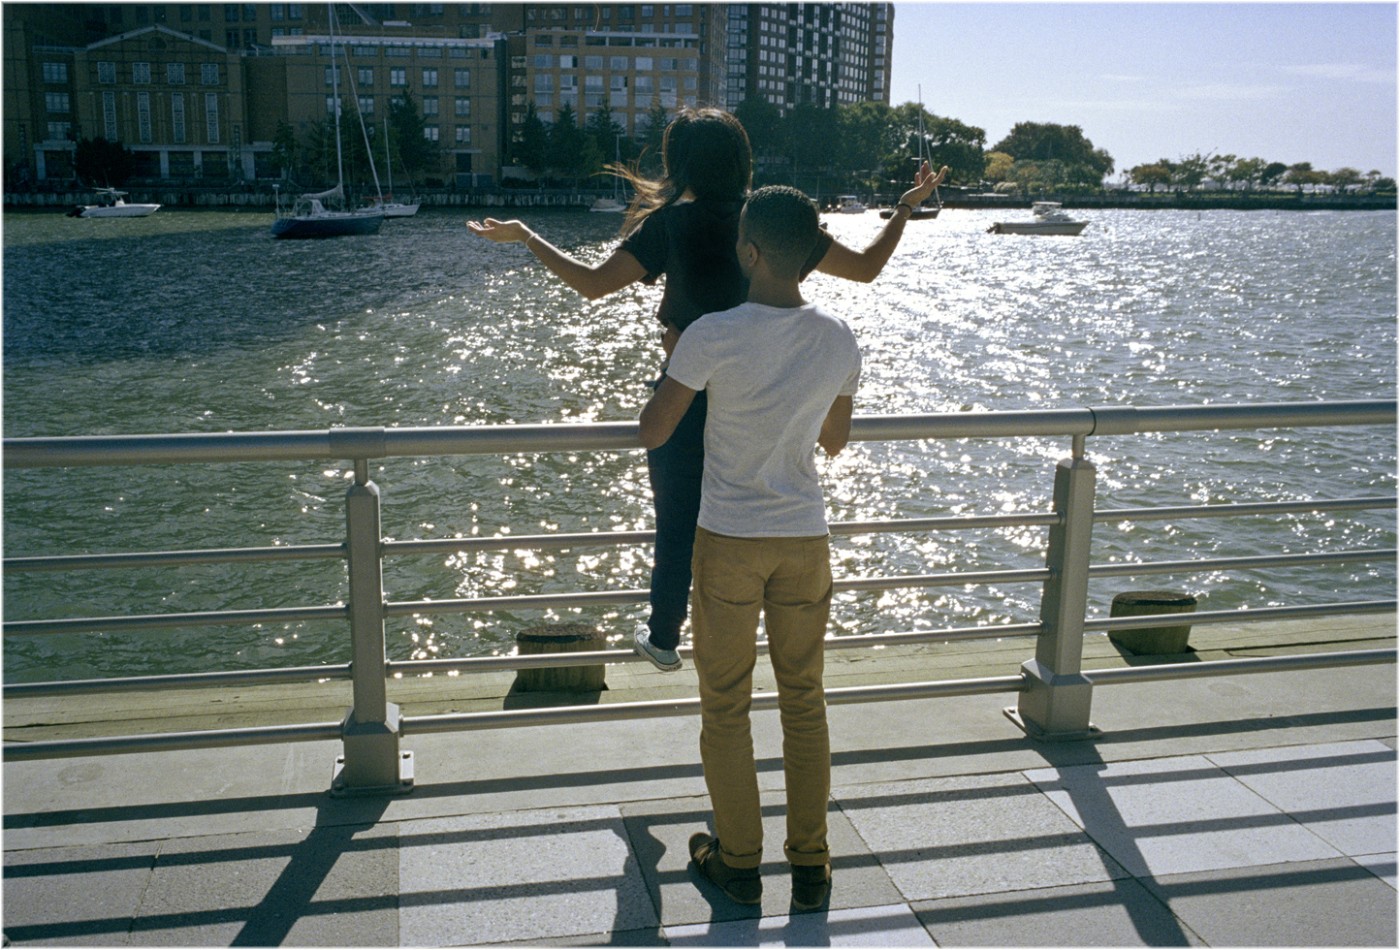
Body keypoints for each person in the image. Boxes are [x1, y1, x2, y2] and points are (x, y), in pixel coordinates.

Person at [467, 107, 946, 673]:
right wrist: (905, 208)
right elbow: (866, 268)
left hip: (689, 389)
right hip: (763, 395)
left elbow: (593, 285)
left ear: (681, 164)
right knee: (758, 506)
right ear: (741, 159)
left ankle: (665, 635)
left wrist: (526, 237)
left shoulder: (671, 225)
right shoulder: (769, 221)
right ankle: (758, 633)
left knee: (679, 518)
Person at [638, 185, 857, 911]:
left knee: (727, 706)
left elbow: (654, 431)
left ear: (751, 252)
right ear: (810, 255)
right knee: (805, 701)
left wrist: (674, 363)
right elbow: (834, 440)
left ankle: (737, 862)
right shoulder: (839, 337)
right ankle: (812, 866)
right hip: (804, 538)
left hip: (730, 538)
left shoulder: (712, 333)